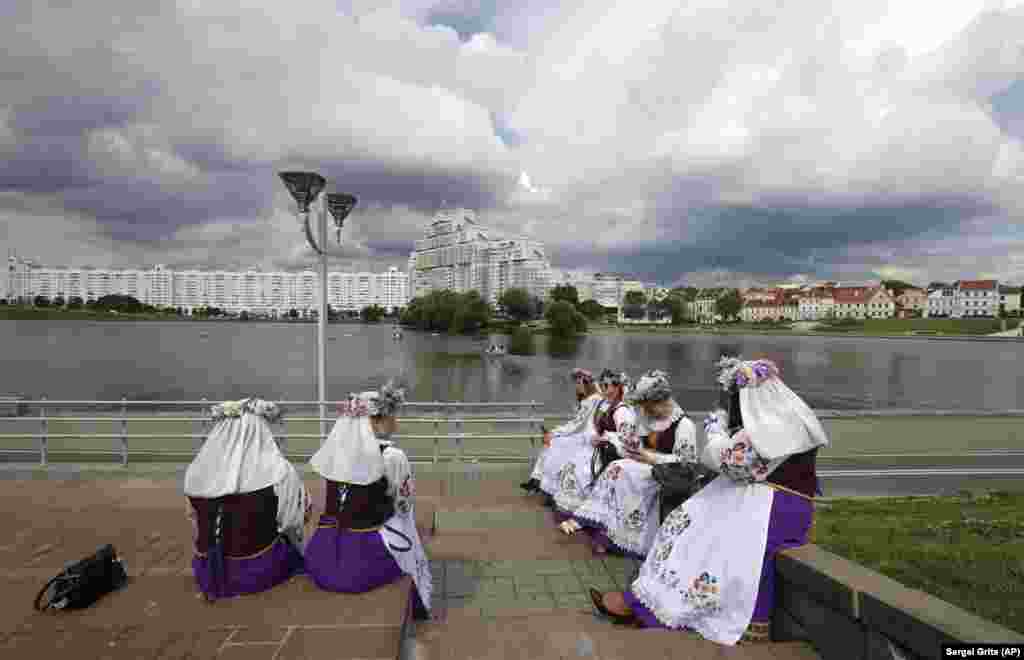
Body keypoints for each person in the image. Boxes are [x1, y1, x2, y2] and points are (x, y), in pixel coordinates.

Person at [590, 357, 828, 645]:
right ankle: (646, 598)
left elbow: (730, 462)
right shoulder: (786, 417)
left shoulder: (771, 426)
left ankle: (664, 603)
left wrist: (714, 431)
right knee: (690, 518)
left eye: (734, 400)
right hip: (782, 504)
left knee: (699, 528)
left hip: (774, 511)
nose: (735, 408)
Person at [305, 382, 432, 619]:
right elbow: (403, 501)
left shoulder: (335, 452)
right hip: (366, 556)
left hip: (326, 548)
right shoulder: (392, 456)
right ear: (374, 421)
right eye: (390, 416)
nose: (396, 422)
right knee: (406, 522)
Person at [560, 371, 698, 558]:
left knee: (624, 474)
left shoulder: (684, 425)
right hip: (646, 464)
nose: (645, 411)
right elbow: (636, 443)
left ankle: (620, 534)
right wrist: (632, 447)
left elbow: (686, 462)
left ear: (660, 401)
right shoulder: (649, 420)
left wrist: (650, 457)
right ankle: (598, 522)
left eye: (648, 406)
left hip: (665, 472)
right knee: (616, 467)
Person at [184, 398, 310, 601]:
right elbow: (293, 522)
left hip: (206, 569)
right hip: (257, 569)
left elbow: (195, 521)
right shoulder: (278, 471)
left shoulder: (197, 471)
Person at [549, 369, 633, 519]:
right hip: (598, 447)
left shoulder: (622, 410)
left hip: (610, 453)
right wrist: (593, 436)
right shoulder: (605, 405)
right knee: (573, 463)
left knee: (581, 468)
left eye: (607, 386)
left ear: (618, 388)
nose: (604, 390)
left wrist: (605, 438)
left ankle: (584, 509)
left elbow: (628, 439)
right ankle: (573, 507)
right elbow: (593, 427)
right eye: (602, 385)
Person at [521, 368, 602, 494]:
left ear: (586, 384)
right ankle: (537, 479)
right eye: (577, 384)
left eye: (579, 384)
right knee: (551, 443)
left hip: (586, 437)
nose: (577, 387)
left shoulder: (593, 399)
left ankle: (541, 481)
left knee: (553, 443)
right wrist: (555, 432)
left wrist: (554, 432)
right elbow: (576, 424)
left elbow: (577, 425)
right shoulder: (589, 399)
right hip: (582, 434)